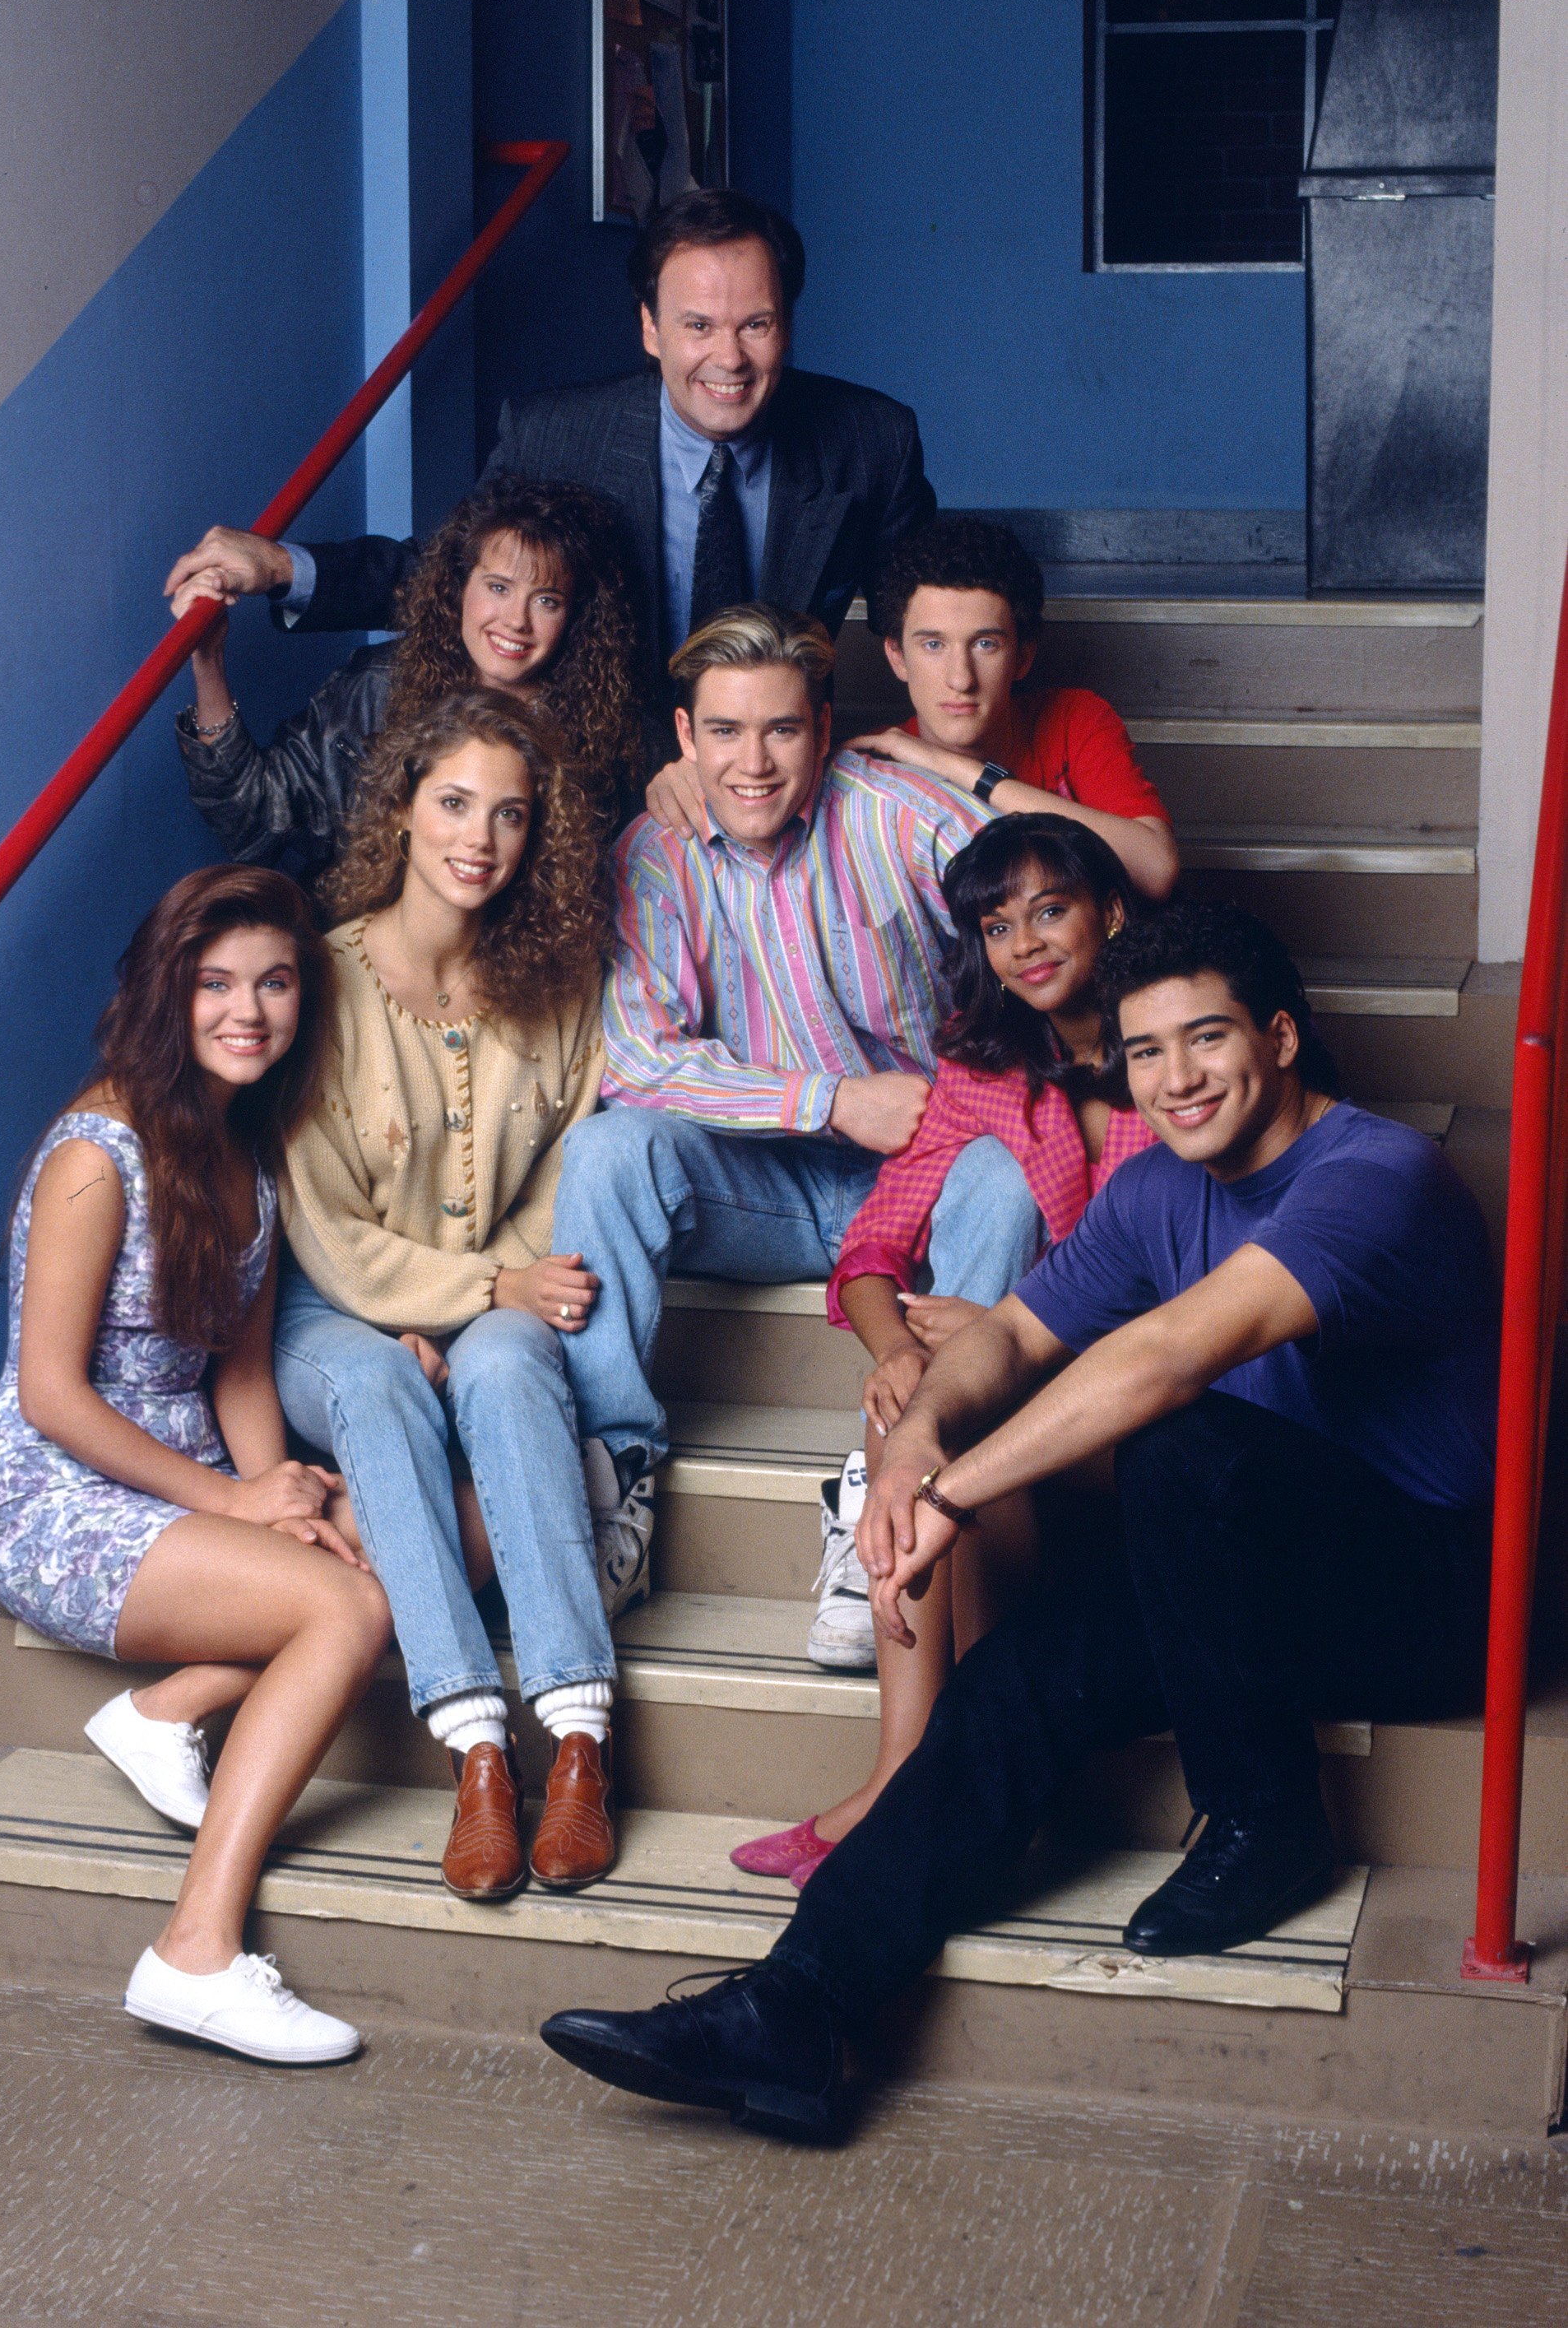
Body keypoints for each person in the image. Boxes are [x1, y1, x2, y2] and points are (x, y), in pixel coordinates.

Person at [537, 901, 1499, 2140]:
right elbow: (1003, 1335)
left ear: (1280, 1037)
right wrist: (916, 1445)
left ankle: (1265, 1823)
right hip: (1247, 1578)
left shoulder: (1378, 1177)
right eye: (1144, 1054)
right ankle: (797, 2011)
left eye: (1205, 1041)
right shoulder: (1156, 1189)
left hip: (1429, 1590)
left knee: (1177, 1438)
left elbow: (1164, 1356)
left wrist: (949, 1492)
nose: (1174, 1079)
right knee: (1011, 1681)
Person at [0, 867, 393, 2065]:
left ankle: (166, 1711)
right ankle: (193, 1953)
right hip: (57, 1491)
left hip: (188, 1464)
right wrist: (238, 1502)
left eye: (273, 983)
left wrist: (292, 1500)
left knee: (400, 1535)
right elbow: (50, 1391)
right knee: (348, 1610)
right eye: (215, 984)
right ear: (168, 992)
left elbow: (240, 1379)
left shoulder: (247, 1155)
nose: (247, 1010)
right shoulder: (97, 1153)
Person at [546, 605, 1046, 1590]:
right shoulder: (657, 848)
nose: (754, 763)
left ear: (821, 728)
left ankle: (907, 1481)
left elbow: (1040, 895)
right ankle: (617, 1472)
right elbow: (638, 1060)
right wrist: (830, 1101)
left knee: (1006, 1178)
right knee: (609, 1152)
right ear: (685, 739)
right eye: (724, 732)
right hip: (761, 1186)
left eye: (781, 730)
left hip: (924, 1181)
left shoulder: (891, 809)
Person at [162, 186, 935, 811]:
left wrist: (950, 755)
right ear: (650, 328)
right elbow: (456, 582)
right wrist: (280, 566)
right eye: (697, 324)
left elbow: (927, 618)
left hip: (768, 783)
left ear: (789, 325)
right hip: (590, 790)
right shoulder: (558, 435)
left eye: (755, 324)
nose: (727, 358)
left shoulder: (869, 440)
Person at [735, 815, 1155, 1872]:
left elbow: (1197, 1300)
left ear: (1108, 909)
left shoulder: (1178, 1050)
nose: (1027, 943)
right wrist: (901, 1357)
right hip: (1020, 1394)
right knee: (930, 1429)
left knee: (946, 1448)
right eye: (998, 924)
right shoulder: (981, 1071)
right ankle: (909, 1769)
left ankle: (962, 1778)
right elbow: (873, 1247)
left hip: (1158, 1412)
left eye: (1050, 910)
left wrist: (1017, 1337)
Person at [272, 687, 625, 1903]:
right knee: (375, 1383)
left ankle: (577, 1736)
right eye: (454, 803)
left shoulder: (562, 978)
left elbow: (570, 1162)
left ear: (542, 837)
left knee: (515, 1364)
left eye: (511, 816)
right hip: (335, 1314)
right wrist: (467, 1288)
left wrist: (497, 1299)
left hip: (494, 1299)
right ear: (404, 808)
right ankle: (477, 1750)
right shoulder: (322, 982)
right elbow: (322, 1222)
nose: (479, 838)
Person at [172, 478, 643, 879]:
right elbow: (254, 823)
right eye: (498, 588)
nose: (516, 621)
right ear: (459, 588)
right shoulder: (375, 688)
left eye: (546, 601)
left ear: (573, 616)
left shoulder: (601, 728)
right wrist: (208, 662)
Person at [851, 514, 1179, 900]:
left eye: (985, 644)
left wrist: (957, 769)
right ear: (897, 657)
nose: (961, 679)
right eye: (933, 645)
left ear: (1023, 656)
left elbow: (1156, 872)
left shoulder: (1075, 719)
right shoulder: (872, 770)